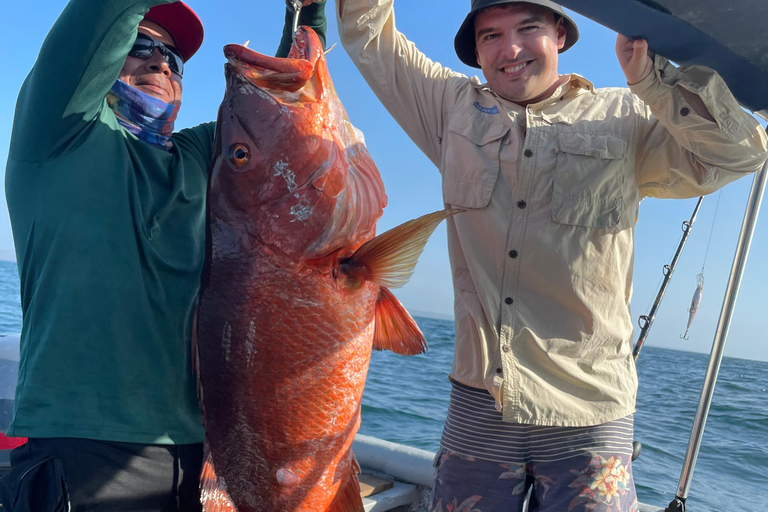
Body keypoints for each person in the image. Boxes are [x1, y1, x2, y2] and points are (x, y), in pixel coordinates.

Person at [335, 0, 768, 510]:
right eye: (490, 36)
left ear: (560, 34)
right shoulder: (450, 110)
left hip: (591, 413)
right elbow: (367, 33)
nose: (510, 48)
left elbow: (741, 153)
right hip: (481, 405)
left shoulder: (626, 115)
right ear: (475, 51)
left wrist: (654, 83)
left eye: (528, 28)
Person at [0, 0, 327, 510]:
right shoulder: (56, 132)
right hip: (80, 451)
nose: (159, 63)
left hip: (195, 462)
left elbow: (275, 109)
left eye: (173, 59)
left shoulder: (197, 160)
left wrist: (307, 15)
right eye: (140, 47)